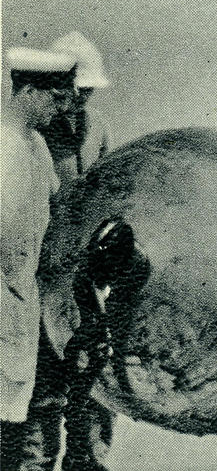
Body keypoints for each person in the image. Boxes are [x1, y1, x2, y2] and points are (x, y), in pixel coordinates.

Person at [30, 32, 114, 470]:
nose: (80, 100)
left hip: (84, 280)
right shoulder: (31, 133)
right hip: (41, 274)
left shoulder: (97, 128)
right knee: (44, 392)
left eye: (87, 92)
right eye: (75, 91)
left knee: (96, 392)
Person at [1, 48, 75, 470]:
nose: (61, 110)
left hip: (22, 302)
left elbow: (53, 215)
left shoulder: (38, 149)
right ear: (28, 91)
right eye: (55, 98)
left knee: (12, 424)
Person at [39, 32, 111, 183]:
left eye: (89, 89)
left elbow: (108, 177)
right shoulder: (38, 126)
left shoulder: (98, 123)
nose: (82, 96)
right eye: (80, 88)